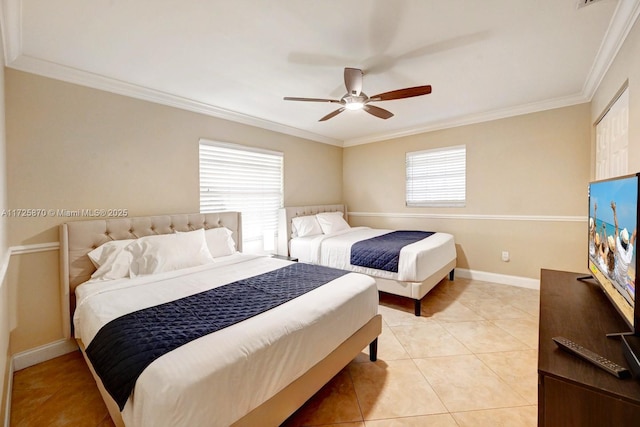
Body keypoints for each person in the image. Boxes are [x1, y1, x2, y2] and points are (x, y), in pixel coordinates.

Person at [611, 201, 637, 290]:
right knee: (628, 278)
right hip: (624, 284)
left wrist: (614, 210)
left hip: (617, 279)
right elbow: (633, 236)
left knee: (614, 257)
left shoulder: (619, 247)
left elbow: (616, 226)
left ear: (621, 240)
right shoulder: (629, 255)